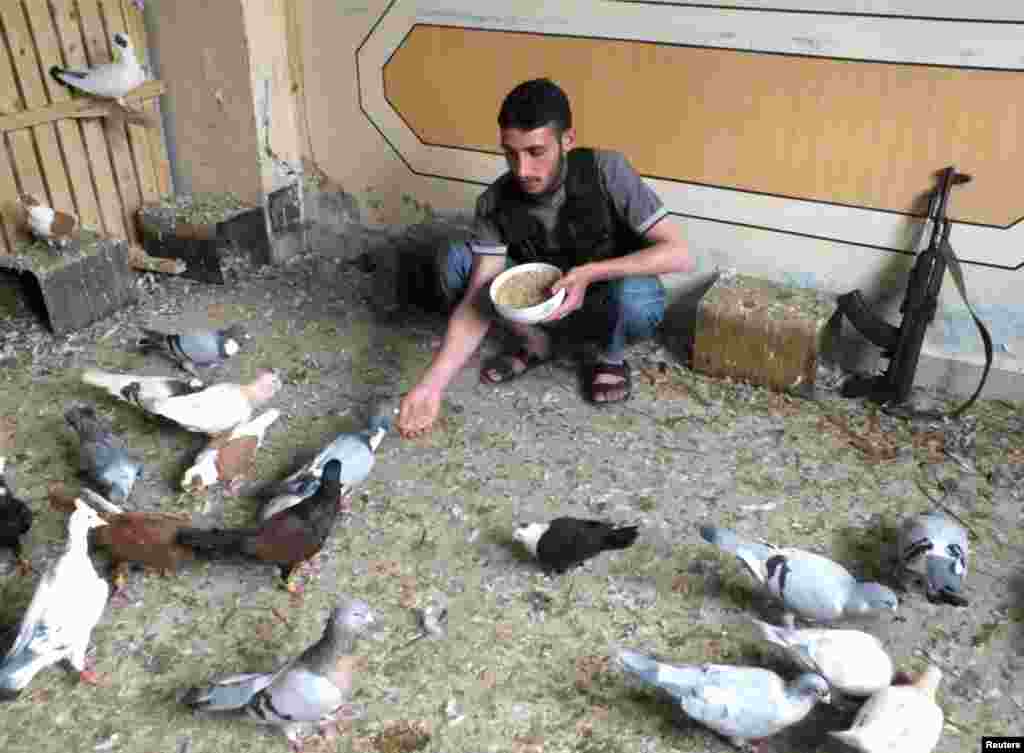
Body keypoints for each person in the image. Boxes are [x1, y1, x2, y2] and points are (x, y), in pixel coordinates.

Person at [397, 78, 692, 438]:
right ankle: (535, 343)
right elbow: (477, 300)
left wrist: (591, 273)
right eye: (510, 153)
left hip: (603, 298)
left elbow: (678, 254)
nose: (521, 170)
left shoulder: (606, 170)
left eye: (536, 152)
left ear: (566, 141)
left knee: (638, 297)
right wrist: (432, 385)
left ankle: (609, 356)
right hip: (537, 303)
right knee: (456, 260)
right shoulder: (494, 201)